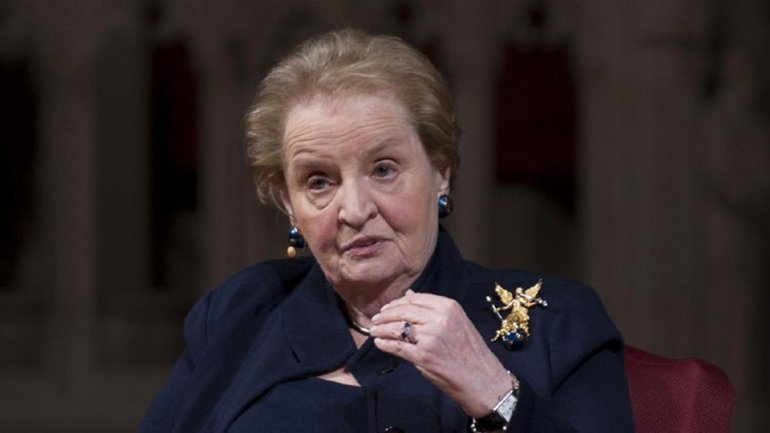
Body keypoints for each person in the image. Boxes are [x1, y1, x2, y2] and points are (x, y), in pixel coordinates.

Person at [139, 28, 633, 433]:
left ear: (441, 173)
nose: (354, 210)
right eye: (318, 181)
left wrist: (496, 396)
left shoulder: (557, 324)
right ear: (288, 202)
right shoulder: (240, 314)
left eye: (383, 170)